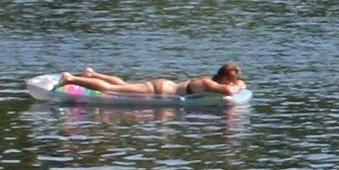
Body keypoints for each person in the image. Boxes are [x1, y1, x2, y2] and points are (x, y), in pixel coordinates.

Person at [64, 63, 245, 97]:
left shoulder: (211, 80)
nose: (231, 83)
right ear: (221, 77)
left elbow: (237, 85)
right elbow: (230, 91)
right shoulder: (209, 83)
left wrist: (239, 83)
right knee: (113, 90)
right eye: (229, 80)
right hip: (159, 90)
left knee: (124, 85)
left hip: (166, 85)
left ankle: (92, 74)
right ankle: (71, 79)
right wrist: (237, 86)